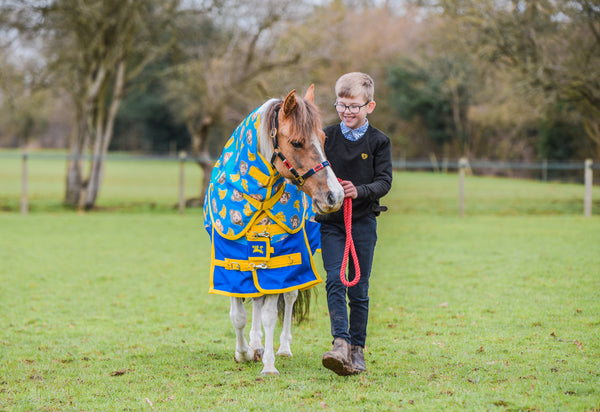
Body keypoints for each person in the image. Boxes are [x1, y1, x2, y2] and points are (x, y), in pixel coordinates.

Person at [317, 72, 393, 375]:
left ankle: (358, 349)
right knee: (335, 279)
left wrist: (359, 191)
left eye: (354, 107)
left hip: (362, 222)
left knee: (358, 287)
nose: (347, 112)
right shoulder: (325, 137)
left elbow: (384, 181)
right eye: (342, 106)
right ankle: (340, 344)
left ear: (369, 106)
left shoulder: (378, 142)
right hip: (331, 222)